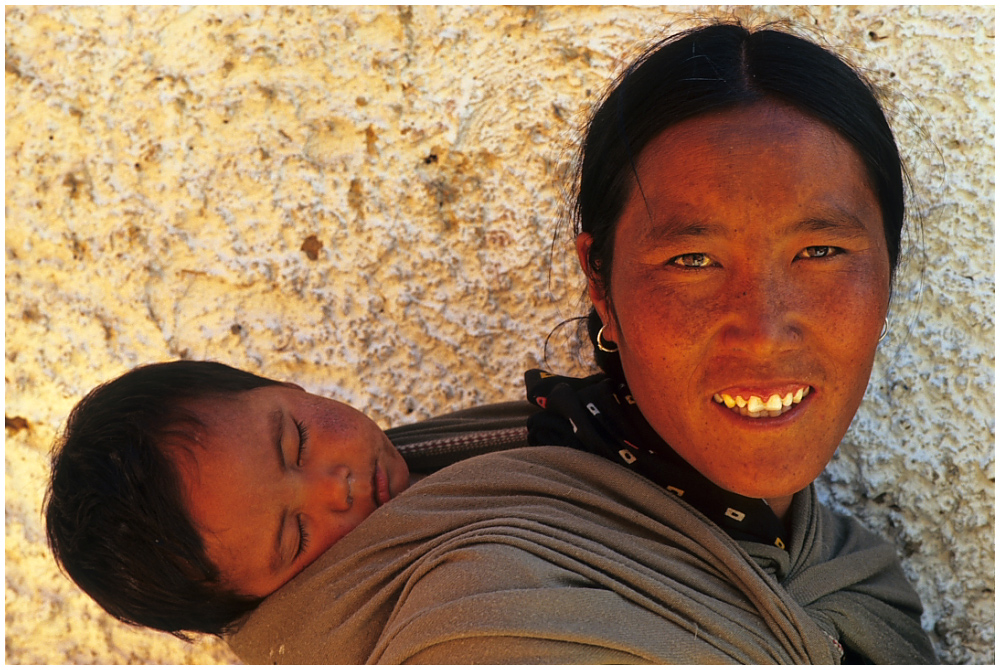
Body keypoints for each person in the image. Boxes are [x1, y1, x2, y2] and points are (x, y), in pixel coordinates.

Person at [225, 21, 938, 663]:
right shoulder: (497, 619)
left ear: (889, 267)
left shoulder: (843, 572)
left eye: (820, 252)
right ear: (600, 283)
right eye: (692, 261)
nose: (759, 327)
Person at [44, 359, 538, 637]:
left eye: (297, 440)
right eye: (297, 534)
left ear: (279, 385)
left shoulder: (418, 464)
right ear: (256, 605)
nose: (338, 488)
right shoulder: (455, 621)